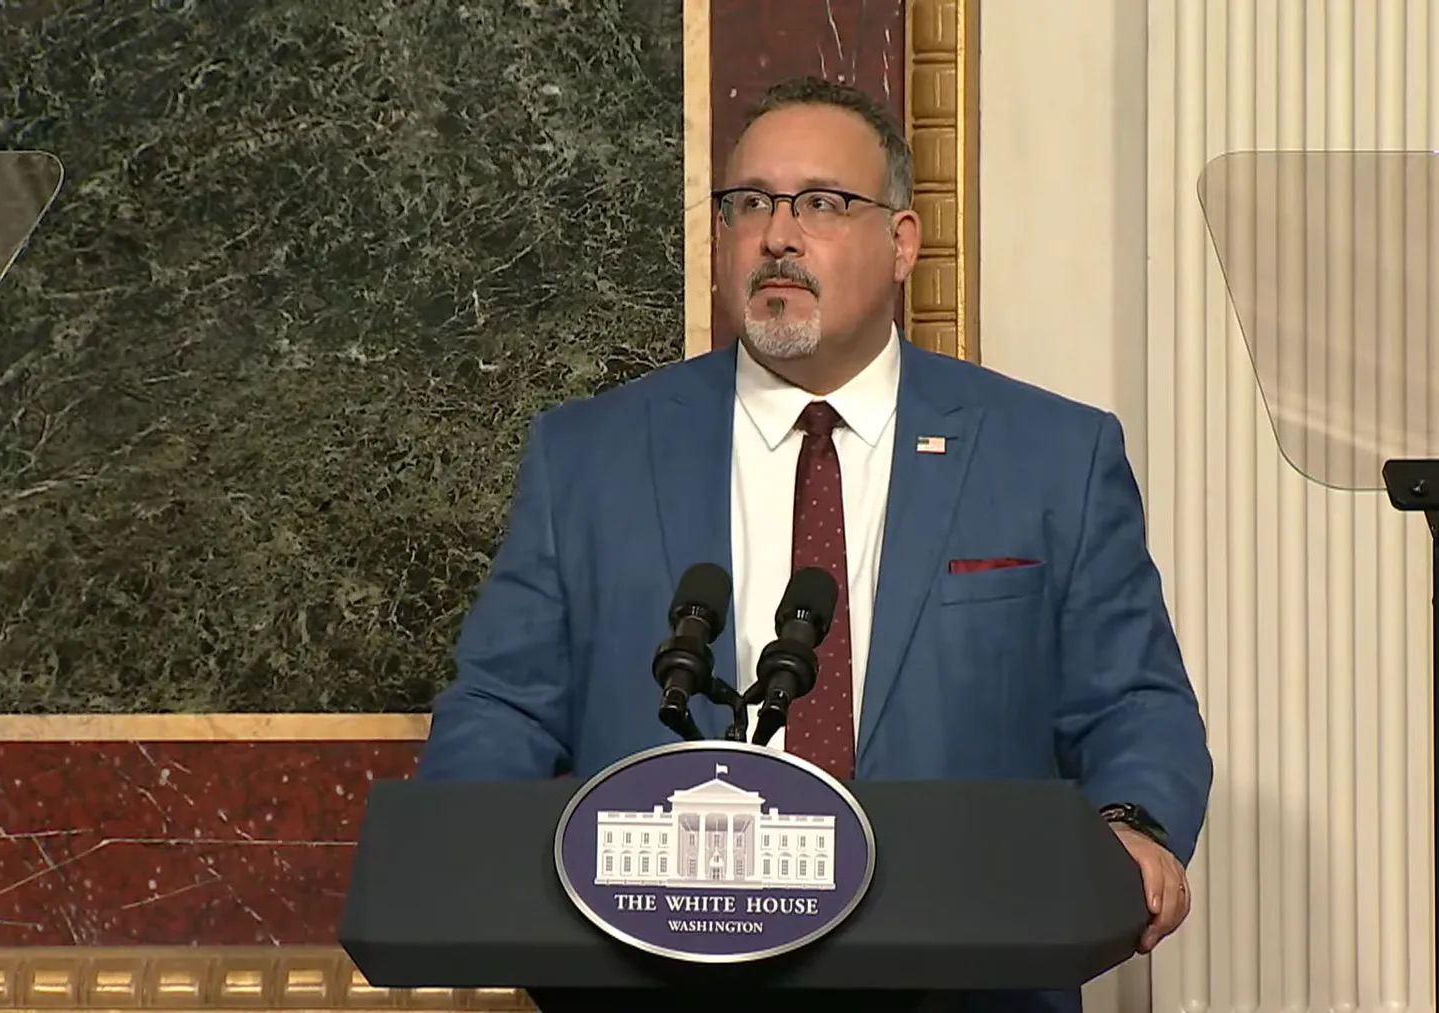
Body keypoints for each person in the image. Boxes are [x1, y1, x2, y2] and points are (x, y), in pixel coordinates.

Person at [416, 76, 1213, 1008]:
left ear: (902, 242)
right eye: (749, 203)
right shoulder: (588, 455)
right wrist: (462, 859)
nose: (778, 234)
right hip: (652, 980)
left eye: (822, 204)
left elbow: (1133, 700)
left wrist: (1131, 823)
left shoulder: (1052, 456)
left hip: (964, 978)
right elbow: (505, 705)